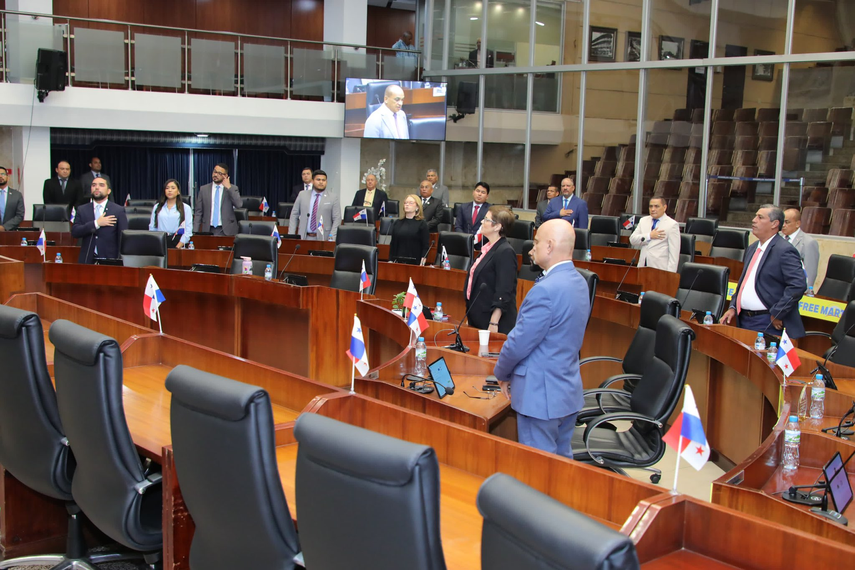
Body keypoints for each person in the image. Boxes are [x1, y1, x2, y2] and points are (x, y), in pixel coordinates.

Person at [493, 219, 589, 458]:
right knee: (561, 464)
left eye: (536, 242)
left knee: (538, 469)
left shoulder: (546, 290)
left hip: (540, 397)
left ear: (550, 246)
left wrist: (501, 373)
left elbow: (518, 343)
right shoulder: (580, 282)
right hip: (566, 391)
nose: (531, 248)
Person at [721, 205, 807, 338]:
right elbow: (744, 283)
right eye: (755, 216)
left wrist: (778, 312)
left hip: (768, 321)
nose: (754, 220)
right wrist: (733, 306)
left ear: (774, 224)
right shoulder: (752, 248)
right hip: (743, 319)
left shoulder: (784, 250)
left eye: (760, 217)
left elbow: (797, 285)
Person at [464, 206, 518, 334]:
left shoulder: (505, 251)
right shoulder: (487, 248)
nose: (482, 221)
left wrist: (494, 322)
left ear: (497, 226)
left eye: (486, 219)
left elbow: (504, 290)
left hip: (493, 322)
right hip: (478, 316)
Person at [71, 177, 128, 264]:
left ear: (108, 191)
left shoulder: (118, 210)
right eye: (94, 185)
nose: (97, 187)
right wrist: (96, 223)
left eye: (101, 185)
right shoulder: (82, 209)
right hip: (87, 260)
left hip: (109, 260)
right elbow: (75, 232)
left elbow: (123, 238)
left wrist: (119, 260)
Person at [629, 196, 680, 272]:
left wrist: (670, 275)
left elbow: (674, 254)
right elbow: (632, 240)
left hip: (660, 269)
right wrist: (649, 236)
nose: (653, 209)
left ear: (664, 207)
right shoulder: (643, 221)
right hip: (642, 267)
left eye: (656, 206)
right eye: (651, 206)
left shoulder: (672, 225)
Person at [289, 169, 341, 241]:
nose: (321, 182)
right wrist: (291, 235)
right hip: (304, 237)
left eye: (323, 180)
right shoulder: (302, 194)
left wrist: (332, 237)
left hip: (324, 238)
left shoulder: (333, 197)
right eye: (318, 180)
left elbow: (337, 219)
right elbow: (294, 215)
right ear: (312, 181)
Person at [193, 163, 242, 236]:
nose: (215, 175)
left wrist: (229, 188)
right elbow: (198, 212)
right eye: (215, 172)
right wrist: (195, 232)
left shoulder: (232, 188)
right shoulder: (204, 189)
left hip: (226, 230)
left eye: (219, 173)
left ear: (225, 176)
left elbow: (239, 205)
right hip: (208, 229)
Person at [782, 207, 819, 289]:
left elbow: (810, 272)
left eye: (787, 222)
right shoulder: (779, 239)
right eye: (782, 222)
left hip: (795, 288)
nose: (783, 225)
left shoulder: (808, 242)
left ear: (797, 224)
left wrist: (806, 291)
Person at [149, 179, 193, 249]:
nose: (170, 190)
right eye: (167, 188)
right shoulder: (157, 207)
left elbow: (188, 231)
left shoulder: (185, 208)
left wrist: (178, 247)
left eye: (173, 188)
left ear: (178, 191)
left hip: (178, 241)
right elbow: (152, 227)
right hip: (160, 241)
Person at [389, 194, 430, 265]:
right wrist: (390, 260)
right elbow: (393, 243)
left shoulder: (422, 224)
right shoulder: (397, 223)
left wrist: (423, 260)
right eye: (405, 203)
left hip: (415, 262)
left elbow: (425, 245)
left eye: (411, 203)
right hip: (398, 262)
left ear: (417, 207)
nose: (407, 205)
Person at [0, 166, 24, 232]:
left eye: (2, 174)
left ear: (8, 177)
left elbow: (20, 215)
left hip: (11, 232)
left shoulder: (17, 195)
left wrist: (4, 227)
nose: (0, 176)